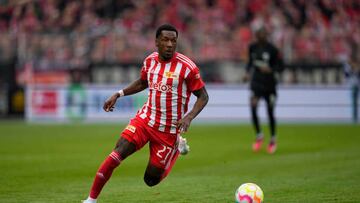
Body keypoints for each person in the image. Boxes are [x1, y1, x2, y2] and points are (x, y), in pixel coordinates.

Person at [82, 24, 209, 203]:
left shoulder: (187, 67)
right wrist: (119, 94)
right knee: (118, 151)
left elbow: (203, 96)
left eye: (173, 41)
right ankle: (90, 200)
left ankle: (177, 149)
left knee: (150, 180)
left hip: (168, 130)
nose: (170, 44)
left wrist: (189, 116)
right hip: (145, 121)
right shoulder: (150, 61)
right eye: (165, 40)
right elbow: (143, 82)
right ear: (156, 42)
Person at [243, 27, 283, 154]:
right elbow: (250, 62)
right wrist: (247, 73)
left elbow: (281, 66)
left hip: (270, 84)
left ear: (266, 35)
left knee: (270, 112)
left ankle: (272, 139)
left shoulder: (273, 49)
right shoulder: (252, 47)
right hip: (256, 83)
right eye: (259, 34)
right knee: (253, 106)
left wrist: (271, 70)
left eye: (264, 34)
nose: (261, 37)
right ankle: (259, 135)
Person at [343, 59, 360, 123]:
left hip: (356, 85)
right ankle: (354, 118)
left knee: (354, 102)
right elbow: (346, 75)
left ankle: (354, 117)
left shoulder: (356, 70)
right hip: (353, 86)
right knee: (354, 103)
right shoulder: (350, 70)